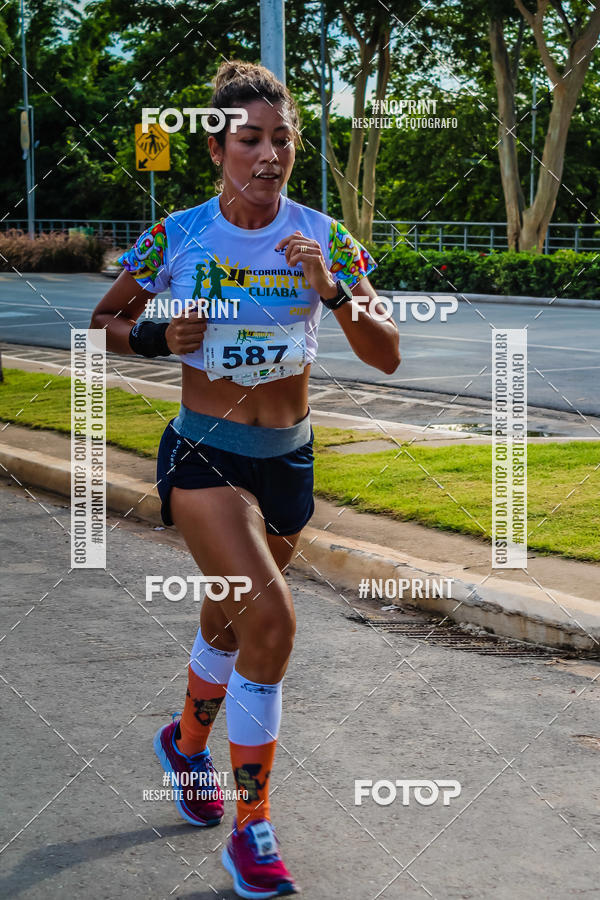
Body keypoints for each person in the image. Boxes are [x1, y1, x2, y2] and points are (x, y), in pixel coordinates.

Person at [90, 60, 400, 899]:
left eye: (282, 140)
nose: (269, 155)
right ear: (220, 148)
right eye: (251, 139)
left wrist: (332, 293)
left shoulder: (323, 234)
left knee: (234, 626)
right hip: (204, 455)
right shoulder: (178, 234)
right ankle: (253, 827)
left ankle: (183, 748)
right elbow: (103, 323)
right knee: (272, 624)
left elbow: (387, 352)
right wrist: (156, 339)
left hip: (289, 461)